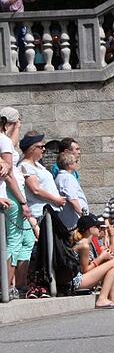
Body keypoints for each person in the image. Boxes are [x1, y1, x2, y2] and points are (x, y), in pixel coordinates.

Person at [1, 107, 33, 297]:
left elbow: (10, 145)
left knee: (27, 240)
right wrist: (22, 202)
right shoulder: (3, 140)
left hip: (16, 192)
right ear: (10, 123)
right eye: (18, 121)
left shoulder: (6, 140)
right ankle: (6, 287)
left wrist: (16, 126)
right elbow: (9, 176)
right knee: (13, 240)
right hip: (14, 195)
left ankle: (19, 286)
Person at [72, 215, 114, 309]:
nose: (100, 229)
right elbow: (85, 270)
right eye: (97, 227)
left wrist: (104, 258)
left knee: (112, 261)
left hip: (82, 278)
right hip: (78, 281)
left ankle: (113, 297)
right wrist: (101, 258)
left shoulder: (89, 243)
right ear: (90, 230)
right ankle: (102, 299)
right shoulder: (84, 245)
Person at [19, 131, 67, 219]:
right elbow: (36, 190)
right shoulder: (25, 166)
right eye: (41, 147)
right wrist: (56, 199)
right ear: (32, 149)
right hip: (40, 212)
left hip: (51, 210)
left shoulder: (38, 165)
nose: (44, 149)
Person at [54, 152, 87, 231]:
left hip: (67, 219)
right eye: (75, 161)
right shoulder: (68, 178)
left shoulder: (60, 177)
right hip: (73, 221)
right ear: (69, 164)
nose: (76, 163)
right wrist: (83, 216)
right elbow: (72, 199)